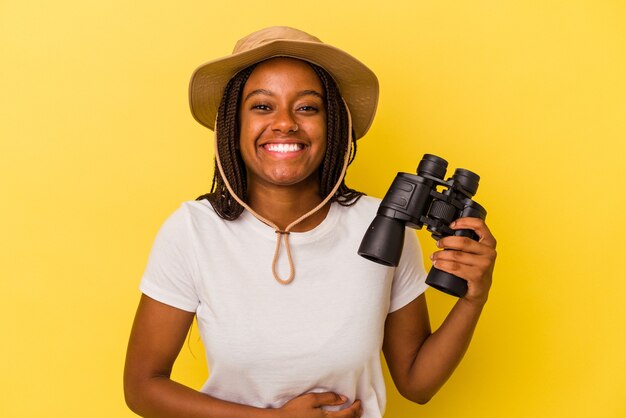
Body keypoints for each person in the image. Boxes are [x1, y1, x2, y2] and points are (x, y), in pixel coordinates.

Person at [124, 26, 497, 418]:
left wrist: (475, 296)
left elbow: (417, 384)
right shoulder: (193, 231)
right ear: (233, 127)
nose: (285, 123)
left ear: (333, 125)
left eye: (306, 107)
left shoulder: (382, 224)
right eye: (263, 106)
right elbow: (142, 387)